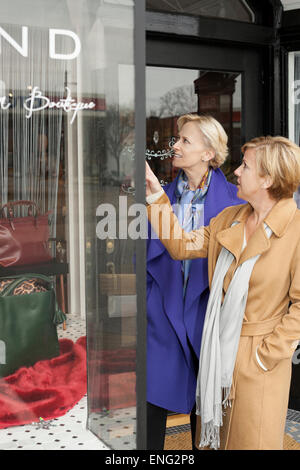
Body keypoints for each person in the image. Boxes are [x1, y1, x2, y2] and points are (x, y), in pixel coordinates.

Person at [145, 135, 300, 450]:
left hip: (260, 363)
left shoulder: (296, 230)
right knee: (212, 443)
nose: (237, 173)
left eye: (245, 166)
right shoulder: (229, 219)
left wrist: (265, 355)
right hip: (216, 355)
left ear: (269, 178)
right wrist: (154, 196)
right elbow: (180, 245)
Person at [146, 114, 242, 450]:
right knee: (152, 400)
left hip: (207, 316)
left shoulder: (237, 202)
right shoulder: (157, 196)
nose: (175, 145)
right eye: (177, 139)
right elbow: (145, 257)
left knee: (205, 412)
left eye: (185, 140)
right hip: (163, 310)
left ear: (208, 153)